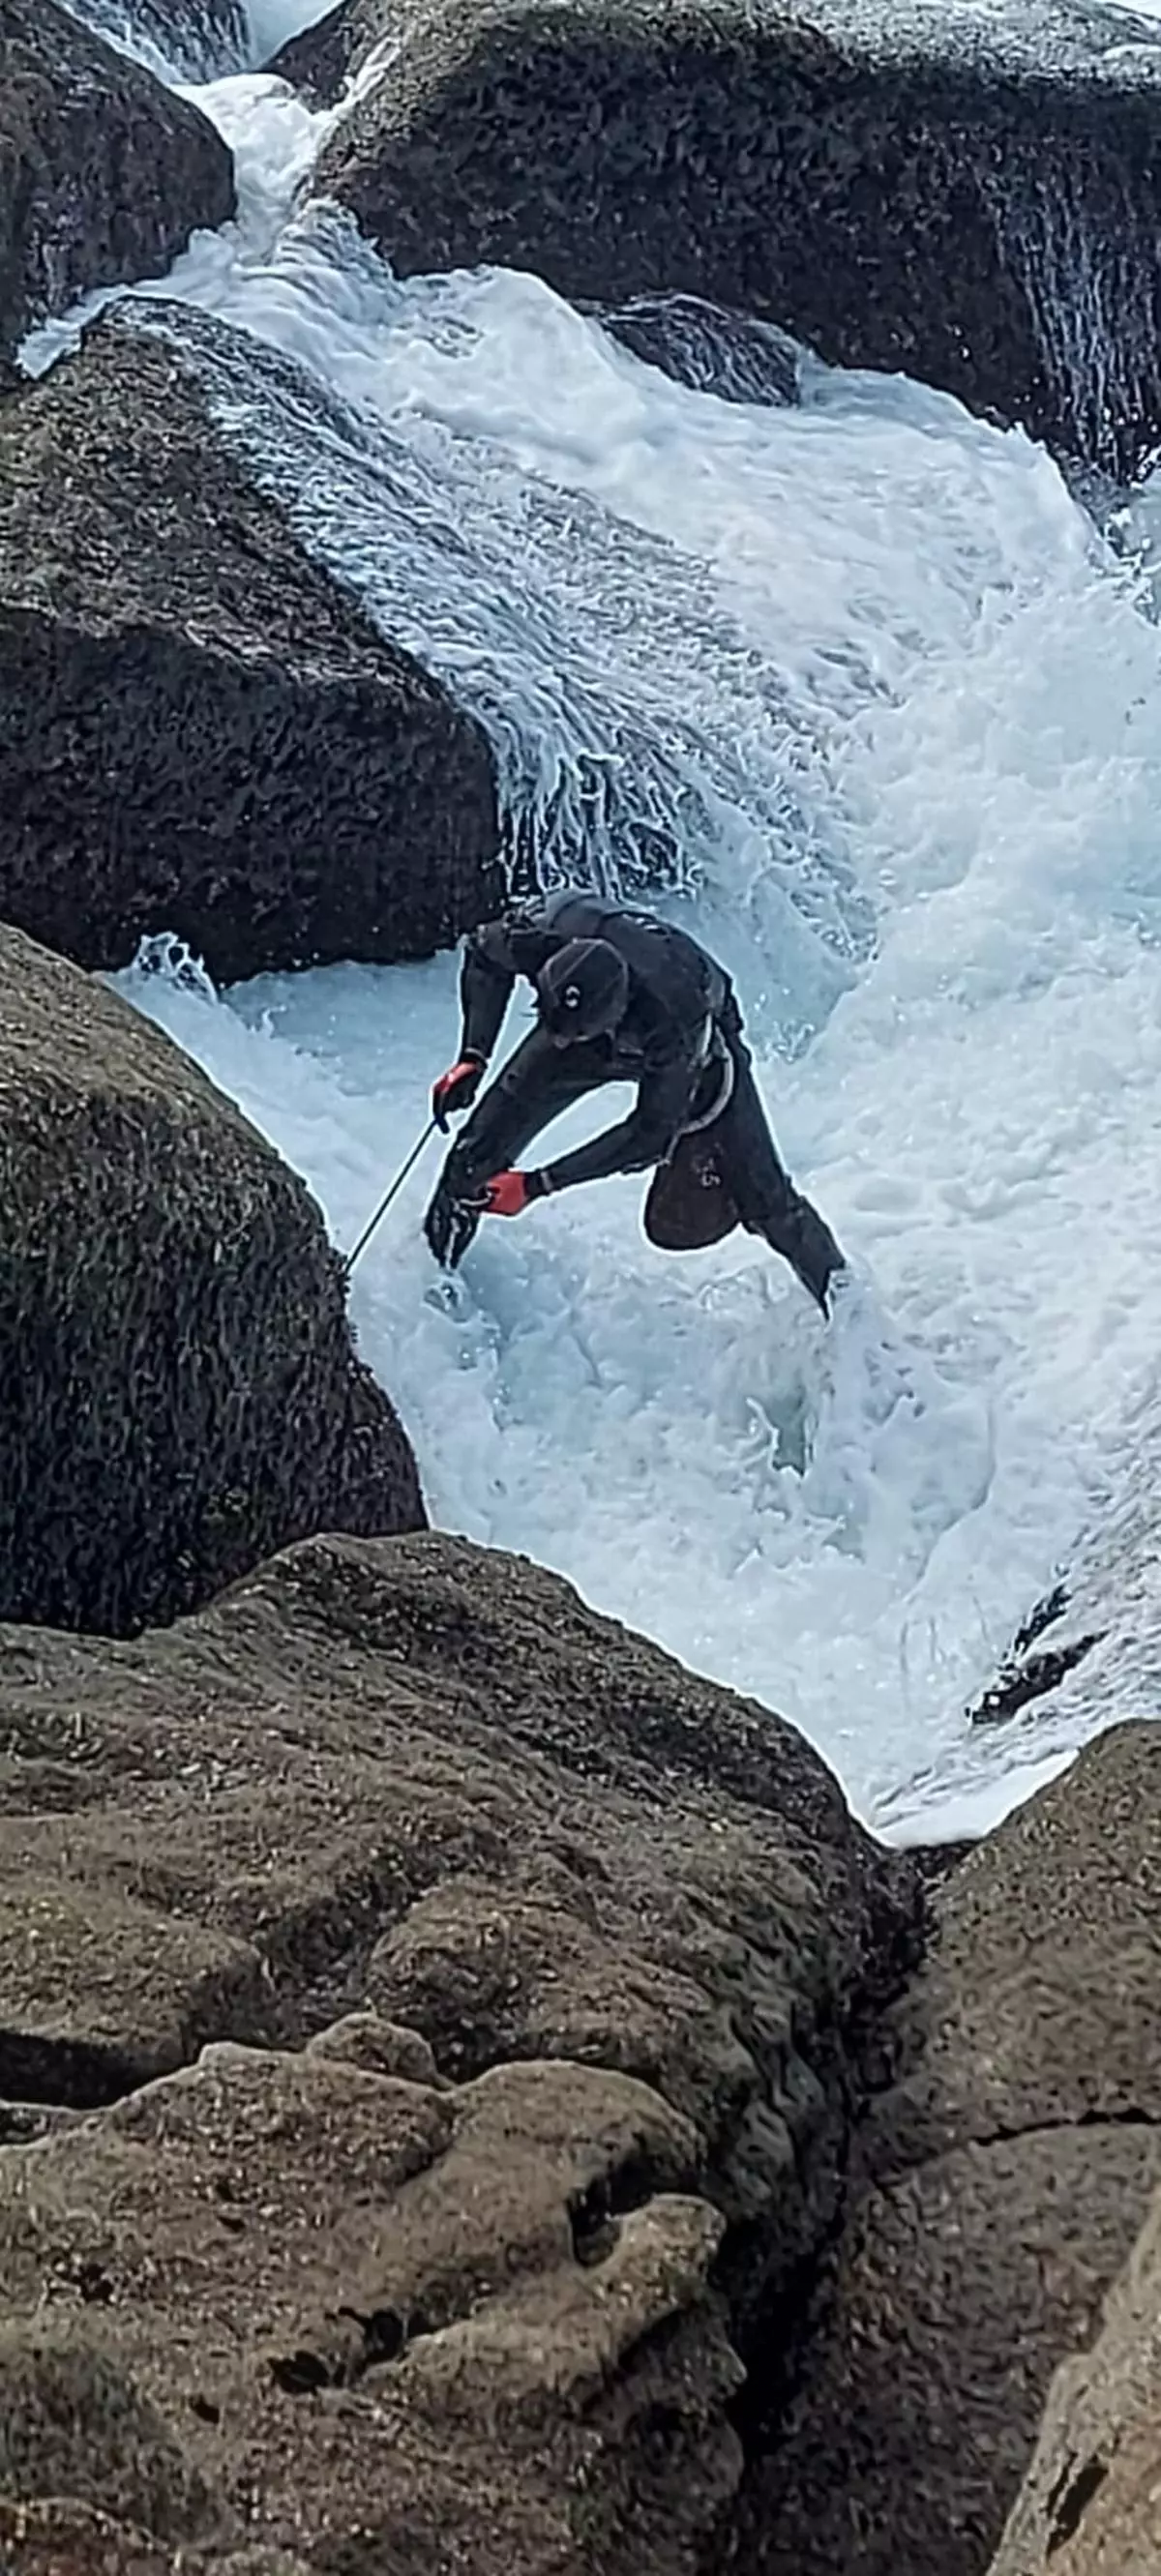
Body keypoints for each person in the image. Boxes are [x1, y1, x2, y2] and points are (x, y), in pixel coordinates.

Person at [423, 890, 846, 1312]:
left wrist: (537, 1184)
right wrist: (473, 1056)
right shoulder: (541, 931)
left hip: (700, 1047)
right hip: (584, 1014)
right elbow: (483, 955)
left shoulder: (676, 1018)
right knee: (472, 1161)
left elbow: (648, 1136)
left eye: (571, 1035)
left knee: (767, 1203)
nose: (559, 1041)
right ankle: (435, 1297)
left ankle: (850, 1315)